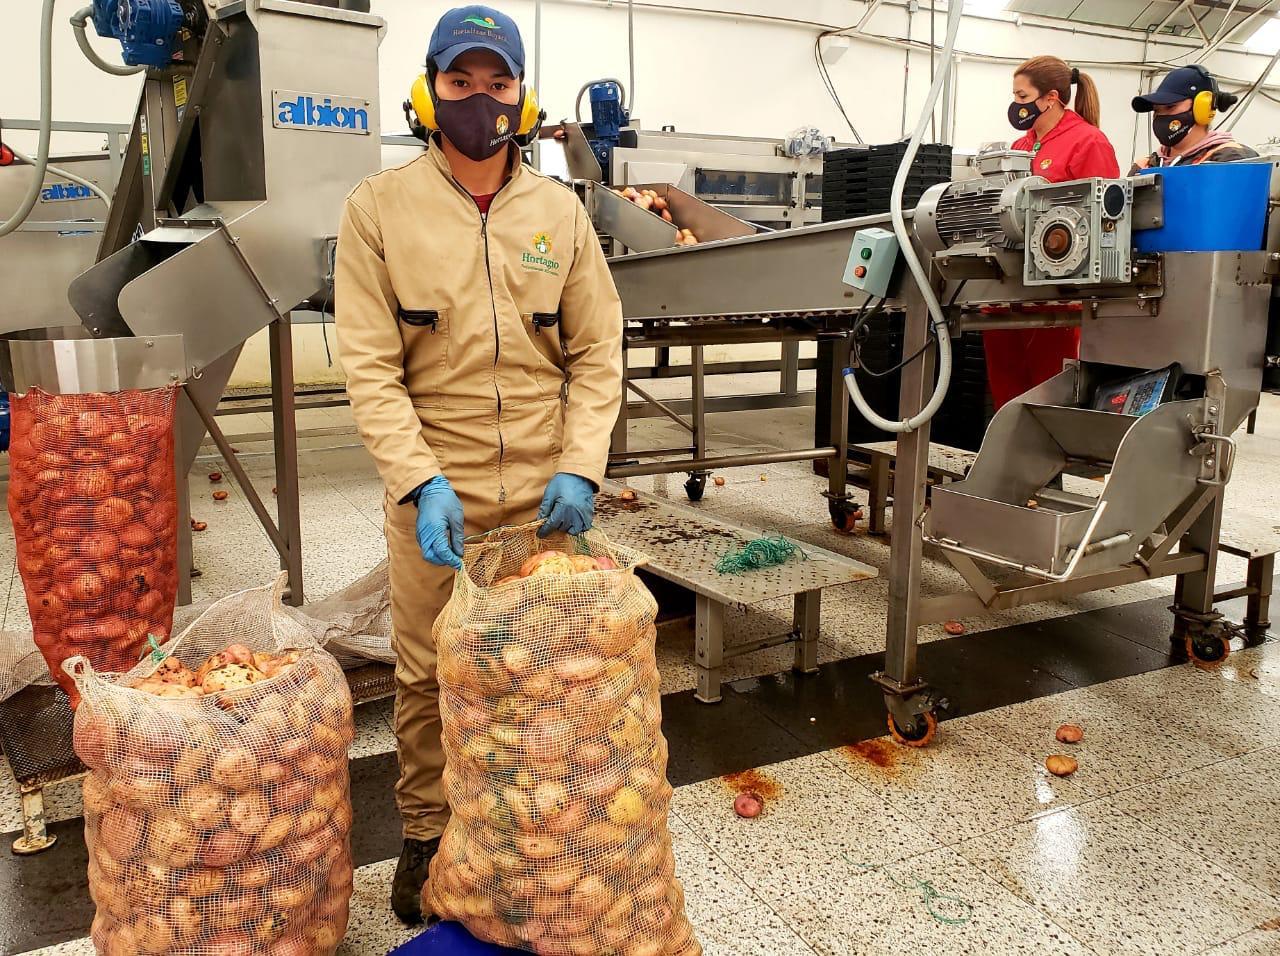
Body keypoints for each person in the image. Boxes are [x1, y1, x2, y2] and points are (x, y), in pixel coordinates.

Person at [335, 4, 623, 925]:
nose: (479, 99)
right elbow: (370, 367)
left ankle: (539, 823)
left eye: (498, 82)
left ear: (523, 97)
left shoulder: (559, 213)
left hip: (545, 486)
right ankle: (428, 831)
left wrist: (580, 464)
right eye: (460, 81)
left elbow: (597, 351)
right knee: (429, 670)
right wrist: (419, 482)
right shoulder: (378, 209)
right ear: (429, 91)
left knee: (548, 666)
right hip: (437, 482)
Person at [987, 55, 1121, 410]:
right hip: (1010, 289)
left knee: (1049, 393)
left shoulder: (1088, 142)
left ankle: (1046, 446)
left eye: (1022, 96)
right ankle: (1009, 444)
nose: (1016, 105)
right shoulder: (1019, 148)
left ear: (1051, 98)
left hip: (1058, 295)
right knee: (1006, 392)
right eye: (1015, 97)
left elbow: (1107, 220)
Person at [1131, 65, 1258, 170]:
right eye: (1156, 110)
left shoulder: (1232, 160)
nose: (1160, 117)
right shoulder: (1143, 167)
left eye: (1170, 107)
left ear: (1203, 107)